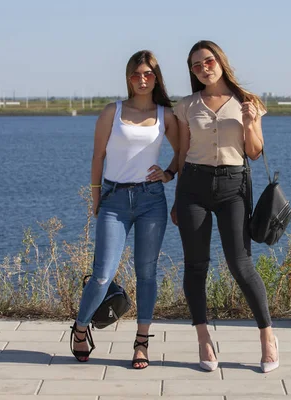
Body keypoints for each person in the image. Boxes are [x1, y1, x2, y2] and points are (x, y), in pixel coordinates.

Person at [172, 40, 279, 373]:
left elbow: (256, 151)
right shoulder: (186, 105)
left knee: (240, 263)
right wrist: (176, 198)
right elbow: (183, 153)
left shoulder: (248, 102)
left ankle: (268, 338)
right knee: (195, 265)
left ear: (220, 60)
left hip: (234, 186)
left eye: (208, 61)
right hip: (193, 187)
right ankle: (204, 339)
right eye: (196, 65)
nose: (204, 68)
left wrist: (249, 123)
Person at [70, 50, 179, 370]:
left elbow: (184, 151)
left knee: (147, 274)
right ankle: (79, 329)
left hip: (151, 201)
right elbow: (97, 157)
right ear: (128, 77)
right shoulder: (112, 112)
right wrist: (95, 197)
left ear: (156, 78)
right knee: (102, 274)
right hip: (114, 200)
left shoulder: (165, 115)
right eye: (136, 74)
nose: (142, 79)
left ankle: (141, 343)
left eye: (148, 74)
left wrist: (169, 173)